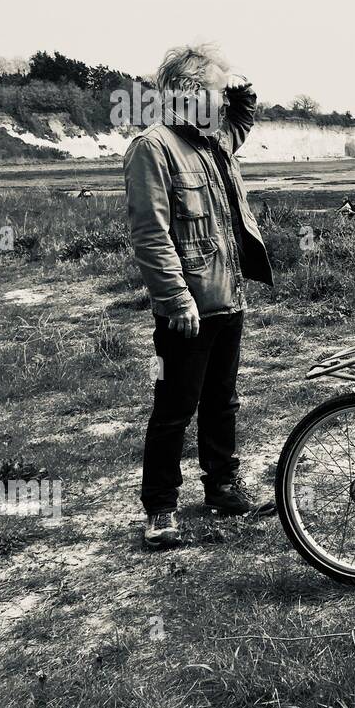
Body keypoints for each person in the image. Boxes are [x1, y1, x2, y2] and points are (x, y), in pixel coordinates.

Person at [123, 43, 275, 549]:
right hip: (187, 308)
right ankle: (161, 508)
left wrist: (239, 85)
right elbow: (150, 234)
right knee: (173, 407)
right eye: (217, 87)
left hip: (228, 296)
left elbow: (243, 118)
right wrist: (176, 300)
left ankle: (222, 488)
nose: (225, 97)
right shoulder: (153, 147)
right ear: (191, 93)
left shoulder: (216, 142)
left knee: (222, 402)